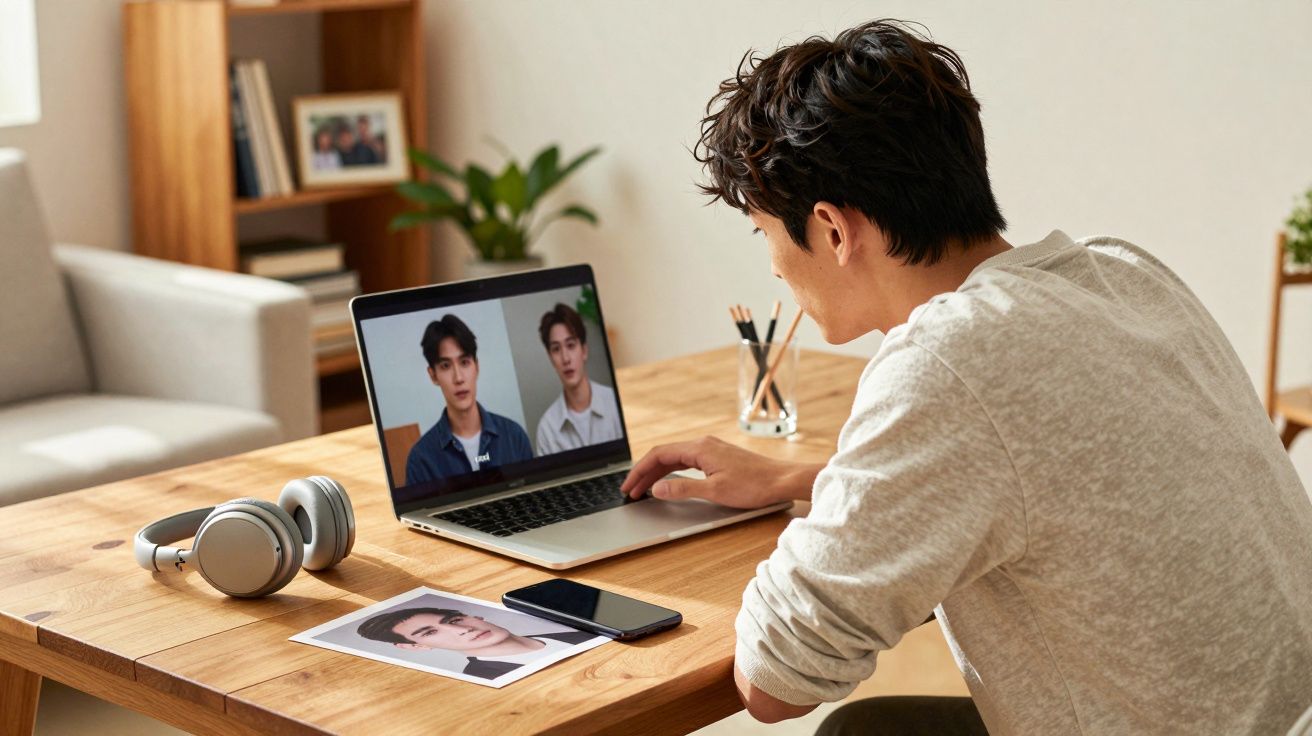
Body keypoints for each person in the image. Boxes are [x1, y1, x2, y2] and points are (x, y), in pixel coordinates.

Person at [620, 18, 1312, 735]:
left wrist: (827, 525)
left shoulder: (949, 360)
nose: (770, 265)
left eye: (764, 232)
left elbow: (774, 681)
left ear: (831, 229)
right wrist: (809, 480)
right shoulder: (1125, 273)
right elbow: (1050, 473)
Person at [405, 314, 532, 485]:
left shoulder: (514, 436)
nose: (458, 378)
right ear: (433, 375)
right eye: (445, 366)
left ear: (476, 367)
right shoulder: (421, 460)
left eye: (464, 362)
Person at [356, 606, 595, 680]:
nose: (462, 629)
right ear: (415, 646)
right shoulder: (485, 676)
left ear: (474, 616)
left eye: (455, 619)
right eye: (428, 633)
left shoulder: (579, 635)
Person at [534, 303, 623, 454]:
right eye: (556, 349)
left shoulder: (614, 403)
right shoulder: (546, 428)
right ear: (550, 358)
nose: (565, 358)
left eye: (571, 345)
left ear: (584, 350)